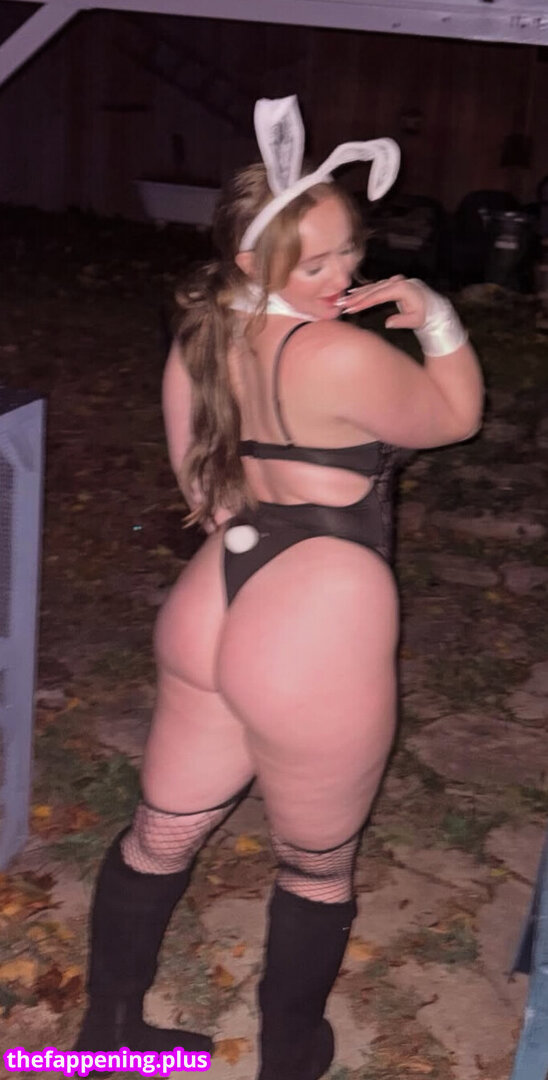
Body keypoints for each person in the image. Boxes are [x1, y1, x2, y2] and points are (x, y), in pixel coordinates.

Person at [75, 97, 483, 1080]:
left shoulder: (202, 337)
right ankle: (289, 1058)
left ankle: (110, 1035)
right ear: (253, 260)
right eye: (316, 264)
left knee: (162, 831)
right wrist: (435, 318)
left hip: (213, 599)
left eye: (351, 251)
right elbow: (455, 416)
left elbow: (203, 489)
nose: (343, 276)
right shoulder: (341, 353)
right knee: (317, 864)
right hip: (313, 614)